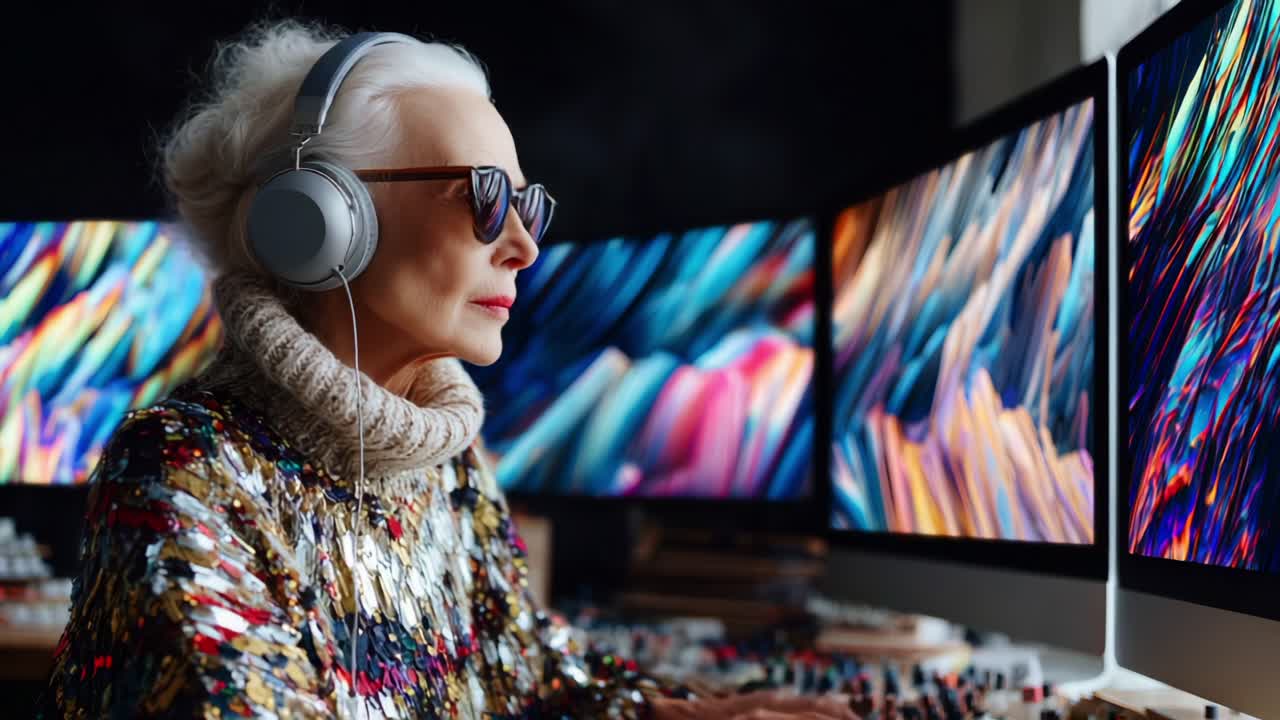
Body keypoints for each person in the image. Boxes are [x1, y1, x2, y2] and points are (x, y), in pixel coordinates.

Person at [36, 20, 858, 720]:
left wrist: (694, 715)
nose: (525, 246)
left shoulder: (452, 462)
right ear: (325, 218)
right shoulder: (183, 466)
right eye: (486, 197)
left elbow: (527, 680)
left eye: (529, 207)